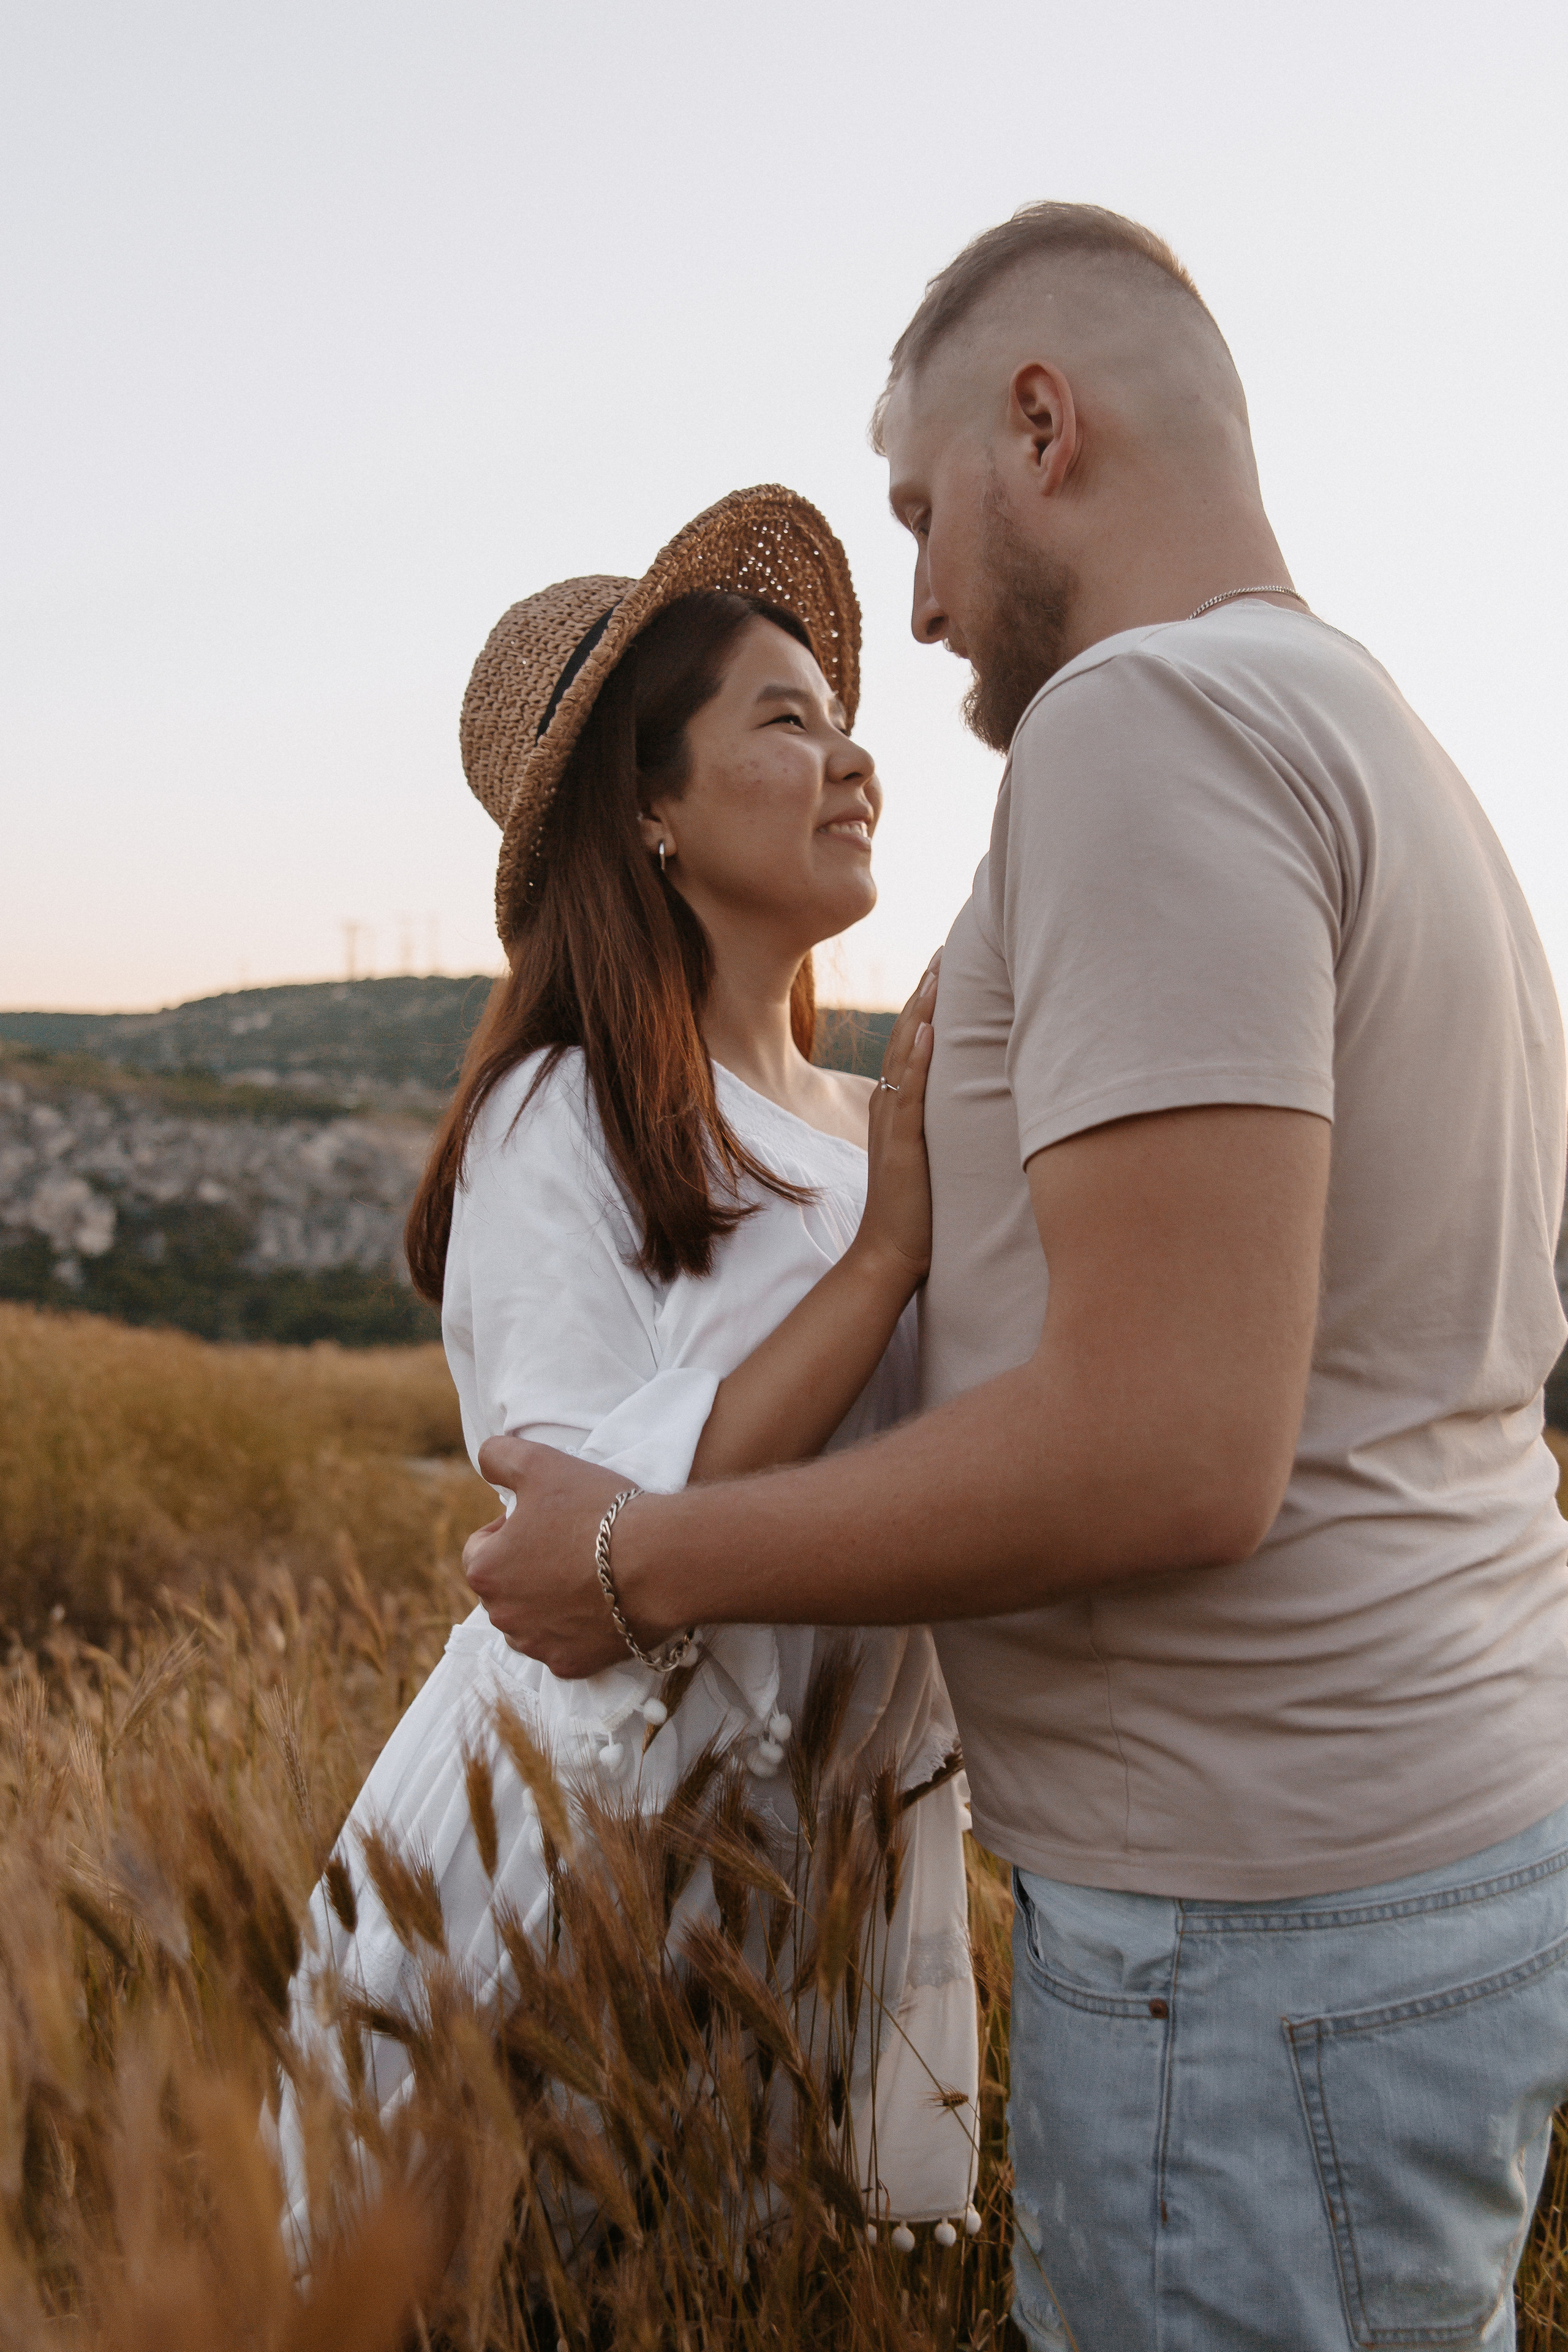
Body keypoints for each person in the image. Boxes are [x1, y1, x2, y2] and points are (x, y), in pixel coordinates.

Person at [466, 209, 1568, 2350]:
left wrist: (649, 1561)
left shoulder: (1142, 729)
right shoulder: (1385, 739)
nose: (928, 606)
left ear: (1040, 426)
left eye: (919, 516)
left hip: (1256, 1943)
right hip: (1417, 1865)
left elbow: (1172, 1451)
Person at [276, 486, 978, 2264]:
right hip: (577, 1859)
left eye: (847, 720)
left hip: (826, 1868)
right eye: (785, 720)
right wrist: (890, 1257)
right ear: (650, 810)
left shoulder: (874, 1121)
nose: (851, 761)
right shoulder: (561, 1113)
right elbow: (597, 1538)